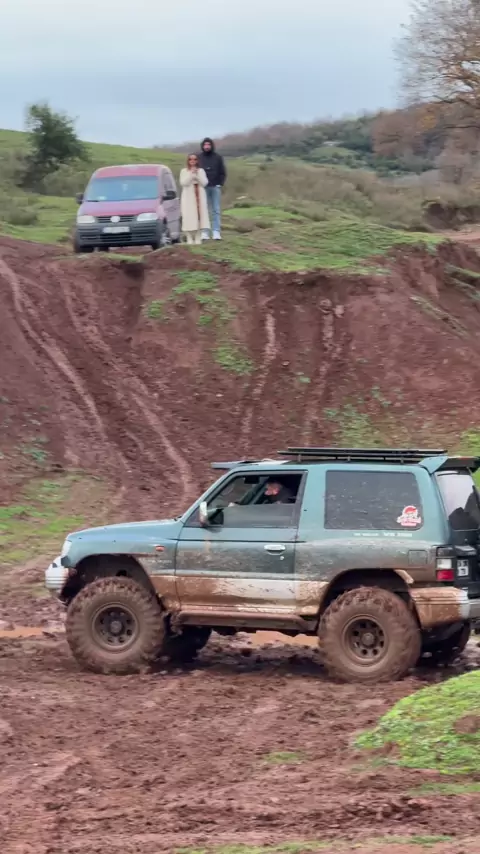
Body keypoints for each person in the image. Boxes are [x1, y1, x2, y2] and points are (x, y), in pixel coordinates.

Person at [198, 137, 227, 241]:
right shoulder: (199, 157)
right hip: (203, 187)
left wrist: (220, 183)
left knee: (216, 210)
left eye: (208, 145)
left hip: (215, 186)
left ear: (211, 146)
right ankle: (205, 232)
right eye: (205, 145)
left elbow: (222, 172)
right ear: (202, 146)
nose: (207, 147)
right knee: (204, 210)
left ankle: (216, 231)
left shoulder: (218, 157)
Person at [179, 155, 210, 245]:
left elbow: (204, 183)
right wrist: (191, 175)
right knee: (187, 215)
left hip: (199, 195)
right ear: (188, 161)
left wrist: (197, 176)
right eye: (190, 159)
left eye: (195, 159)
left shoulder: (201, 171)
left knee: (200, 215)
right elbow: (183, 183)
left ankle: (198, 237)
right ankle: (189, 237)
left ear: (197, 161)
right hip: (188, 196)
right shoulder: (184, 171)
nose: (192, 161)